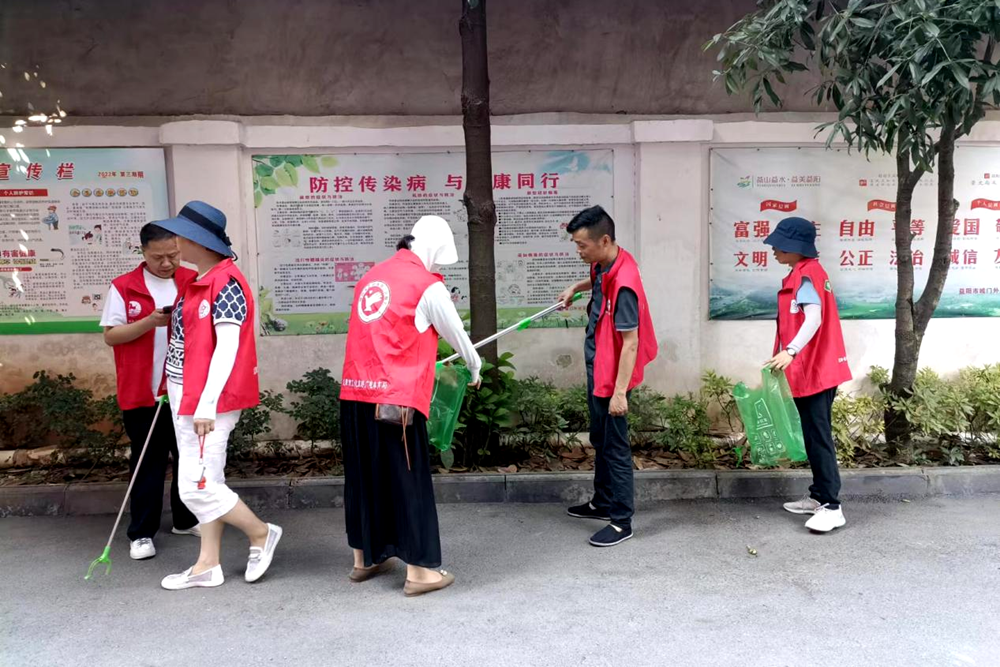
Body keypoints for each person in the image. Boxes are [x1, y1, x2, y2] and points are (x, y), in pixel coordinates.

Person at [340, 215, 482, 597]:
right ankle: (420, 573)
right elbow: (455, 332)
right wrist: (474, 366)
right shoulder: (425, 284)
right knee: (408, 482)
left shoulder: (371, 277)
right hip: (395, 405)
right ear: (435, 249)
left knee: (364, 480)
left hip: (354, 395)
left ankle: (364, 559)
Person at [151, 201, 282, 590]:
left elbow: (227, 348)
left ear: (198, 241)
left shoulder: (226, 284)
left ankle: (261, 533)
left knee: (197, 486)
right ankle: (207, 564)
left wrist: (206, 404)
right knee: (209, 478)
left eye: (180, 236)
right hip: (187, 395)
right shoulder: (202, 279)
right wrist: (173, 387)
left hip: (207, 402)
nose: (175, 243)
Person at [557, 205, 658, 547]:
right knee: (599, 438)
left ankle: (621, 521)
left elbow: (631, 343)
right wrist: (576, 286)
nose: (578, 250)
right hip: (598, 364)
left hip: (613, 375)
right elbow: (597, 279)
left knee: (615, 447)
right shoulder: (605, 263)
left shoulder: (625, 284)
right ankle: (601, 502)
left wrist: (619, 393)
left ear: (603, 240)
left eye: (581, 244)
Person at [101, 223, 201, 561]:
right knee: (148, 463)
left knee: (188, 456)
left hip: (185, 389)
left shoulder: (192, 280)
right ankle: (142, 533)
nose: (167, 263)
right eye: (158, 257)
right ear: (143, 252)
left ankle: (186, 520)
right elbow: (111, 336)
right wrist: (149, 322)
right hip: (142, 392)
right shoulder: (124, 286)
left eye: (173, 255)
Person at [764, 217, 853, 533]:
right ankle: (818, 497)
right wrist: (786, 353)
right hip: (811, 368)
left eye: (779, 245)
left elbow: (813, 319)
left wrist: (790, 351)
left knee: (818, 436)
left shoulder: (807, 275)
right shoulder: (802, 272)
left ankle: (832, 506)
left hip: (817, 370)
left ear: (795, 247)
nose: (773, 249)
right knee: (813, 434)